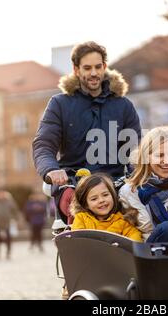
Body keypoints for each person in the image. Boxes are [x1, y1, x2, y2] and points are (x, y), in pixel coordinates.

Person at [32, 41, 141, 225]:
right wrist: (51, 170)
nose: (93, 73)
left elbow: (135, 151)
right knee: (73, 207)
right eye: (87, 68)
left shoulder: (123, 106)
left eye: (98, 67)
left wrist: (137, 177)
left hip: (113, 185)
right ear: (76, 70)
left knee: (139, 212)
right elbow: (43, 144)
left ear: (104, 67)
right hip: (74, 183)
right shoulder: (60, 104)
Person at [70, 172, 142, 241]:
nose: (101, 200)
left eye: (105, 195)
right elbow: (77, 240)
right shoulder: (81, 219)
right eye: (94, 199)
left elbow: (135, 238)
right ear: (86, 204)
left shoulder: (122, 221)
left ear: (112, 195)